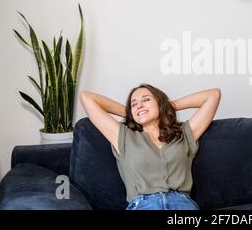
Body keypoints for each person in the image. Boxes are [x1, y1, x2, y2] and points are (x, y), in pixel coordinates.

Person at [79, 84, 221, 210]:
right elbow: (86, 97)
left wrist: (167, 106)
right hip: (142, 205)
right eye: (134, 104)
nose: (139, 105)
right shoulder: (123, 136)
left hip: (182, 204)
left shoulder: (184, 133)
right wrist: (131, 113)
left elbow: (213, 95)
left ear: (160, 103)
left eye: (146, 100)